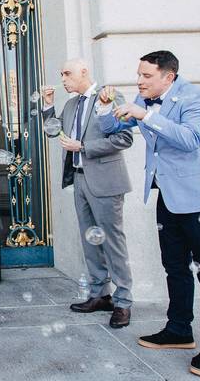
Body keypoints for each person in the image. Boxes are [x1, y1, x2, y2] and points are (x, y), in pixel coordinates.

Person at [96, 50, 200, 378]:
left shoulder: (195, 97)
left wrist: (146, 117)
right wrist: (104, 106)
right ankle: (179, 330)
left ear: (168, 77)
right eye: (138, 75)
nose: (139, 81)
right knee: (174, 267)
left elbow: (192, 140)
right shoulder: (146, 100)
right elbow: (109, 127)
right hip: (168, 198)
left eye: (146, 76)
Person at [41, 59, 134, 328]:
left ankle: (124, 301)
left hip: (106, 181)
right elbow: (52, 131)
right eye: (61, 74)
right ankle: (99, 294)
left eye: (67, 73)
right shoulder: (71, 104)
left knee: (113, 242)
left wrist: (83, 147)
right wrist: (48, 106)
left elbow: (124, 139)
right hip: (80, 180)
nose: (63, 78)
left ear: (84, 72)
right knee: (90, 241)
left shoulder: (109, 96)